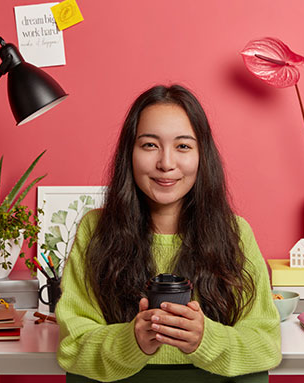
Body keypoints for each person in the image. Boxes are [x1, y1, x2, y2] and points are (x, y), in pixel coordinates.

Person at [56, 84, 281, 382]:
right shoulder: (95, 230)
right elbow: (73, 346)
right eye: (150, 145)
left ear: (203, 156)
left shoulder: (235, 233)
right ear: (129, 153)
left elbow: (266, 344)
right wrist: (132, 341)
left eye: (183, 146)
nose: (166, 163)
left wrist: (206, 339)